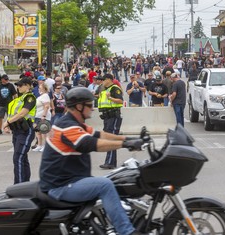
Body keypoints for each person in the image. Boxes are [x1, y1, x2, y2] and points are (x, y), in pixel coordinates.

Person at [39, 87, 144, 235]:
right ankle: (127, 232)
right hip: (61, 185)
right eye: (89, 105)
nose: (93, 108)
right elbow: (93, 144)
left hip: (70, 180)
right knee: (105, 185)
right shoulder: (67, 127)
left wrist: (128, 139)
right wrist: (125, 145)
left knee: (114, 179)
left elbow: (99, 134)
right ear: (79, 107)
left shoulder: (75, 123)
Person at [2, 78, 36, 184]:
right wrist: (8, 125)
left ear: (28, 86)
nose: (18, 87)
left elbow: (23, 113)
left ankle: (19, 185)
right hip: (16, 131)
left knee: (18, 157)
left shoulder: (30, 97)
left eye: (21, 85)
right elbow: (13, 114)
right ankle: (25, 183)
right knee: (22, 158)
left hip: (25, 131)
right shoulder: (18, 100)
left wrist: (7, 122)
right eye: (18, 85)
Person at [98, 74, 123, 169]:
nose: (102, 81)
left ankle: (110, 162)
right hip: (107, 117)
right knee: (109, 140)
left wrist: (110, 98)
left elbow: (120, 101)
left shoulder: (114, 88)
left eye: (103, 79)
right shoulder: (105, 90)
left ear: (109, 79)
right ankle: (110, 162)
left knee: (111, 140)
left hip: (113, 117)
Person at [33, 83, 52, 152]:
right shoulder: (40, 96)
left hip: (43, 116)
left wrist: (43, 116)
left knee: (44, 132)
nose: (39, 89)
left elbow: (46, 106)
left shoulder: (45, 95)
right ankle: (39, 145)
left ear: (44, 88)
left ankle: (45, 146)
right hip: (37, 116)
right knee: (38, 132)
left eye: (40, 88)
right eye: (39, 88)